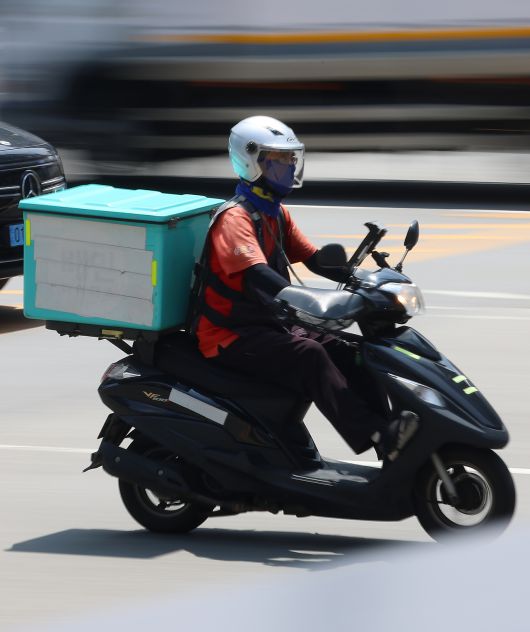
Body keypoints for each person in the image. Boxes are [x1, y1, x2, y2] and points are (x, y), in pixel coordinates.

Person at [191, 115, 418, 460]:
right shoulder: (234, 220)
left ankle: (390, 442)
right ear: (251, 162)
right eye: (278, 160)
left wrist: (362, 281)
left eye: (289, 159)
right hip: (229, 336)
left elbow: (314, 259)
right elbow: (258, 276)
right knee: (310, 356)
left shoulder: (275, 213)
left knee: (352, 351)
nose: (288, 167)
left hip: (266, 325)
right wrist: (313, 301)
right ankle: (377, 435)